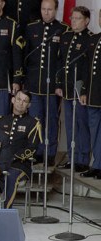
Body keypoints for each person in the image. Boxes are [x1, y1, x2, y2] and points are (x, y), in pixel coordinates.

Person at [23, 0, 69, 166]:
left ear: (56, 9)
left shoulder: (63, 29)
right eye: (43, 9)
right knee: (35, 120)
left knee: (51, 120)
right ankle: (35, 152)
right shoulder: (31, 28)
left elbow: (63, 60)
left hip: (52, 87)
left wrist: (59, 83)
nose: (46, 13)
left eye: (49, 9)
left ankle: (49, 153)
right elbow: (26, 56)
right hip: (34, 83)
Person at [55, 6, 94, 173]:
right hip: (66, 86)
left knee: (81, 125)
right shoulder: (66, 37)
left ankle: (82, 159)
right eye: (73, 18)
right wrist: (58, 84)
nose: (74, 21)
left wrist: (84, 90)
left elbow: (88, 68)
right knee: (70, 124)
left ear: (86, 21)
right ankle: (72, 158)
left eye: (78, 18)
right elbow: (60, 62)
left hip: (80, 86)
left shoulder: (90, 39)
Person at [0, 90, 42, 208]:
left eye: (25, 101)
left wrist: (13, 157)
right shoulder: (0, 120)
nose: (21, 103)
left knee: (11, 176)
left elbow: (32, 148)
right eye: (19, 99)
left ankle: (6, 210)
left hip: (20, 165)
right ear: (13, 100)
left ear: (29, 105)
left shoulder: (33, 123)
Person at [79, 9, 101, 179]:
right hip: (94, 95)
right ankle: (97, 164)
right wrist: (84, 91)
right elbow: (87, 70)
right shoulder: (94, 39)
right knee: (94, 131)